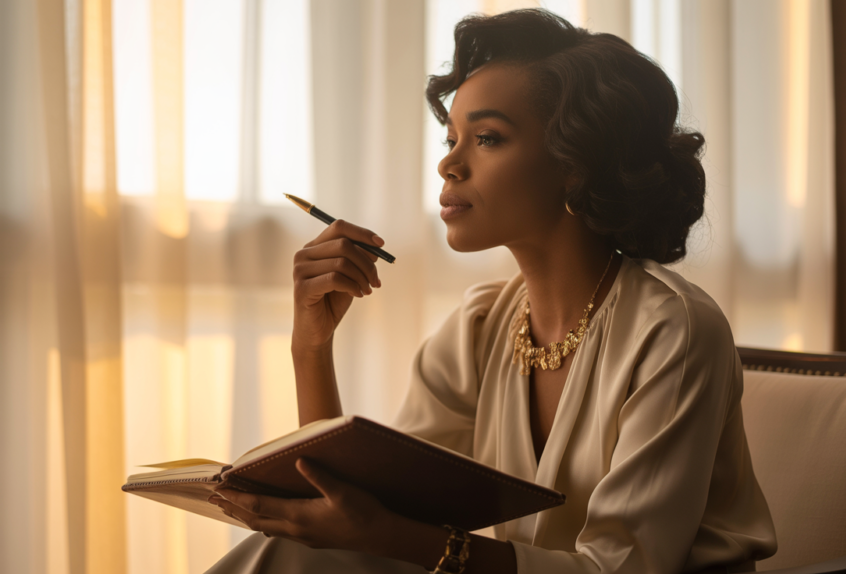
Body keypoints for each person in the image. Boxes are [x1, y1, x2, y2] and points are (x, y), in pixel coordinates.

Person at [204, 8, 777, 574]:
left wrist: (402, 540)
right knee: (287, 552)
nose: (449, 165)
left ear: (576, 165)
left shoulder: (672, 329)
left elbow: (620, 569)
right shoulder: (480, 326)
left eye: (486, 137)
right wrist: (312, 344)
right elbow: (365, 510)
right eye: (452, 138)